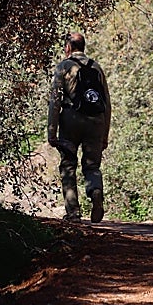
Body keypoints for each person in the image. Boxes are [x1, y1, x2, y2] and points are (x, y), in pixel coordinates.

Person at [48, 32, 112, 222]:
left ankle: (73, 212)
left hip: (71, 120)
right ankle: (95, 191)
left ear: (68, 47)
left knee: (68, 164)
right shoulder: (97, 68)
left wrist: (52, 132)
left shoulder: (64, 67)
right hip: (96, 122)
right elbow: (107, 104)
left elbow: (55, 101)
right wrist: (105, 134)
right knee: (92, 166)